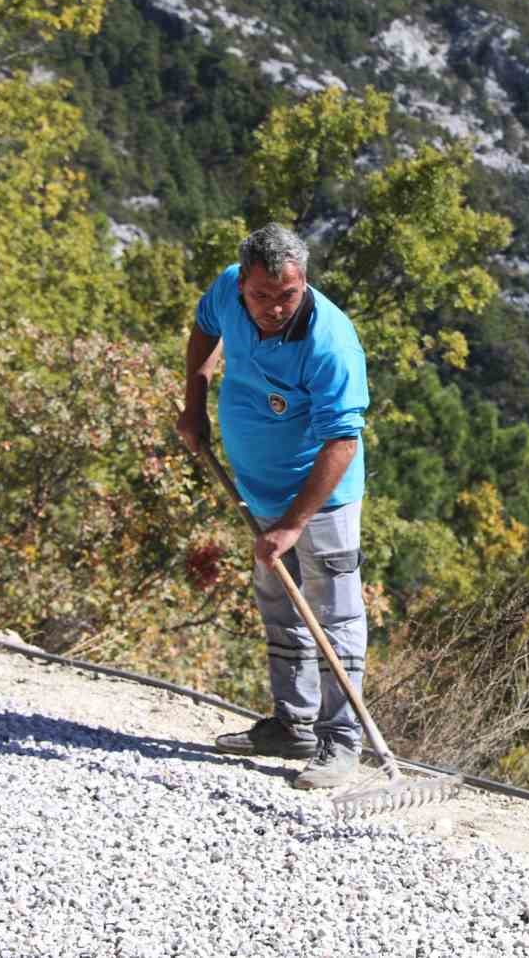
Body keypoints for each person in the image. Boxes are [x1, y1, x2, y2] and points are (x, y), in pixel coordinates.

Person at [176, 223, 371, 790]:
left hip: (320, 501)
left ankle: (342, 742)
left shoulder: (329, 341)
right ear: (244, 285)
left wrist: (293, 524)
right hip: (259, 489)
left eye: (286, 295)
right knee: (279, 603)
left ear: (302, 280)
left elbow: (342, 443)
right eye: (262, 295)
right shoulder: (229, 288)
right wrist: (195, 404)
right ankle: (294, 725)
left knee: (335, 614)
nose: (274, 307)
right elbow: (202, 330)